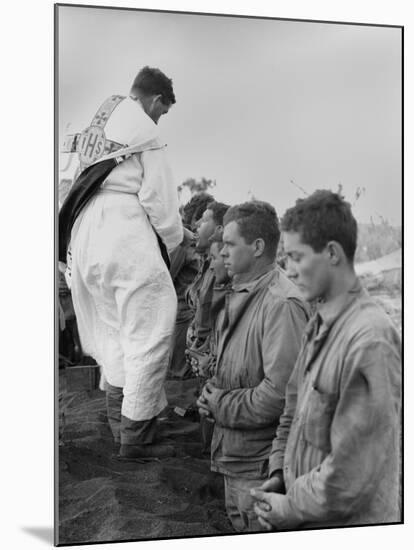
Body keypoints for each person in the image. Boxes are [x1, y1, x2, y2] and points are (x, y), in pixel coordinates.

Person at [251, 190, 401, 530]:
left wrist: (291, 504)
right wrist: (280, 473)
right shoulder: (318, 324)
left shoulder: (370, 339)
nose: (286, 269)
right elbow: (293, 412)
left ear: (332, 253)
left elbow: (352, 473)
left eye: (296, 257)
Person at [64, 66, 184, 459]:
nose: (159, 118)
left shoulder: (88, 128)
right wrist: (172, 246)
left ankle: (118, 427)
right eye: (162, 111)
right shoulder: (146, 134)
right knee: (150, 332)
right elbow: (160, 204)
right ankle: (136, 440)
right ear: (154, 100)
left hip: (81, 238)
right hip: (123, 234)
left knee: (114, 333)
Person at [196, 201, 309, 532]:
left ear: (258, 247)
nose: (223, 251)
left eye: (230, 244)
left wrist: (219, 404)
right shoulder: (244, 292)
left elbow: (281, 395)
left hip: (260, 468)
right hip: (237, 458)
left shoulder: (281, 305)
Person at [168, 193, 215, 380]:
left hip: (196, 314)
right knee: (179, 371)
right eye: (202, 219)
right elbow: (168, 276)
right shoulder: (182, 242)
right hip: (183, 313)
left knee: (192, 367)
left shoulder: (201, 243)